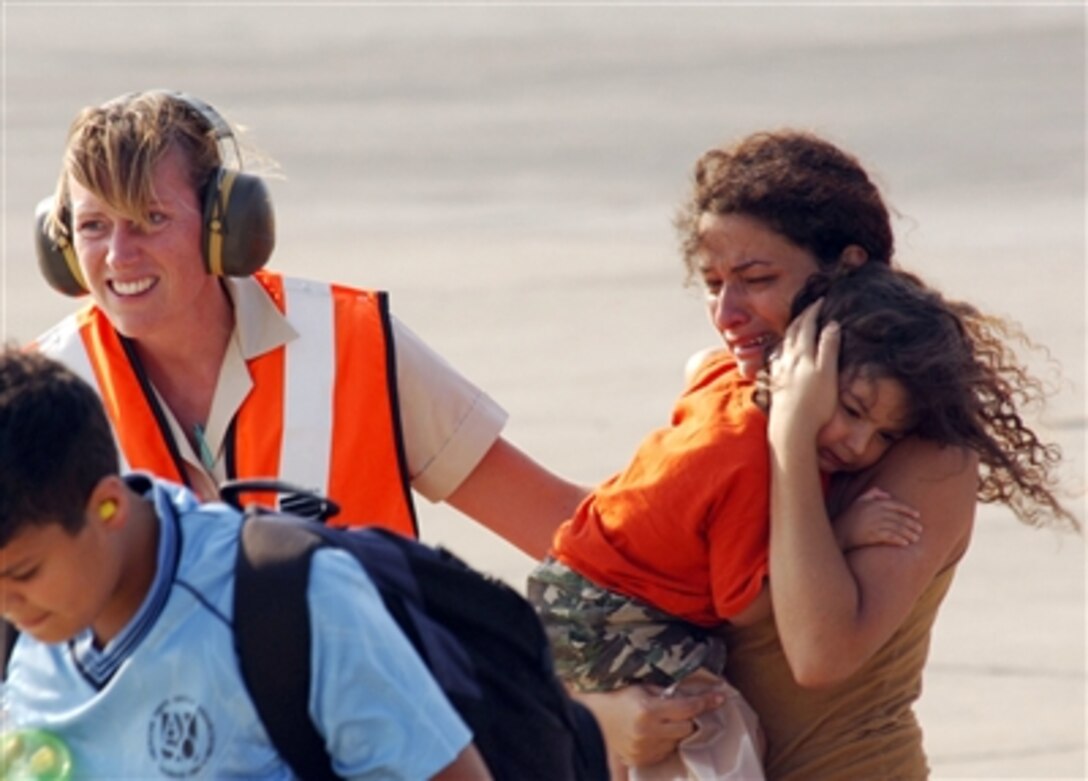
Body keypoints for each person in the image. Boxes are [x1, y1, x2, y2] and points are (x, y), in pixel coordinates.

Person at [589, 129, 1075, 779]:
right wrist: (605, 710)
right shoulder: (724, 395)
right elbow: (621, 558)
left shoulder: (921, 454)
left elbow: (818, 653)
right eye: (712, 283)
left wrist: (791, 434)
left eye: (757, 278)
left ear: (847, 267)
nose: (727, 313)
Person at [30, 89, 584, 556]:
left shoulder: (354, 345)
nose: (119, 255)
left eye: (152, 219)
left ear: (223, 225)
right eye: (94, 226)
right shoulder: (42, 397)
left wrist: (669, 510)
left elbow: (557, 523)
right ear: (62, 243)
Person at [528, 262, 1000, 780]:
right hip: (602, 615)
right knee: (715, 723)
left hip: (860, 766)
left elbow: (818, 655)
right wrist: (795, 441)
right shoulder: (755, 457)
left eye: (885, 435)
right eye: (850, 409)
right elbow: (744, 604)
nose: (859, 444)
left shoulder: (928, 462)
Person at [0, 348, 491, 780]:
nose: (5, 603)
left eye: (22, 574)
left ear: (108, 506)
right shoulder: (21, 635)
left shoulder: (289, 602)